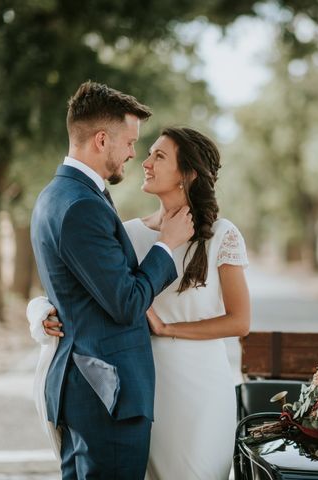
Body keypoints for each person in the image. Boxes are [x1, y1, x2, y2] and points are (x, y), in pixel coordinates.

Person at [29, 126, 251, 479]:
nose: (144, 162)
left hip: (201, 390)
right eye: (146, 152)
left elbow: (240, 321)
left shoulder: (222, 235)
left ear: (188, 174)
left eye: (159, 156)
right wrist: (40, 311)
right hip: (142, 385)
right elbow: (86, 289)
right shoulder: (129, 232)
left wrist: (167, 328)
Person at [30, 81, 195, 479]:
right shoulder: (81, 205)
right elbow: (125, 303)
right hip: (106, 394)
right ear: (102, 140)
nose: (134, 154)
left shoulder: (62, 195)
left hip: (88, 390)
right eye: (130, 142)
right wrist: (167, 246)